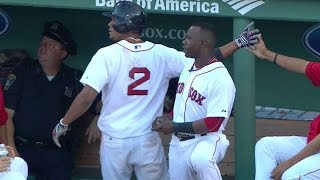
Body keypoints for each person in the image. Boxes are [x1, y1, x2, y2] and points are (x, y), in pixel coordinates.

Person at [52, 1, 259, 180]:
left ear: (125, 23)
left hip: (115, 142)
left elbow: (86, 98)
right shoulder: (161, 53)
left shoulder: (106, 54)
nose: (109, 23)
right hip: (146, 141)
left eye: (113, 20)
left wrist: (64, 123)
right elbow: (207, 57)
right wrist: (239, 42)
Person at [151, 22, 236, 180]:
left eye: (189, 38)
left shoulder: (220, 78)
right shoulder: (188, 66)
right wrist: (168, 118)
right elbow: (182, 105)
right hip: (178, 144)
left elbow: (214, 123)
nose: (184, 41)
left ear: (203, 43)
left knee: (201, 159)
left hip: (206, 140)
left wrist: (174, 126)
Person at [4, 20, 83, 180]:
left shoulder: (73, 78)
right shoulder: (22, 72)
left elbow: (96, 99)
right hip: (21, 147)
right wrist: (12, 150)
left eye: (51, 44)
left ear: (63, 53)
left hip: (56, 152)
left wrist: (96, 116)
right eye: (43, 42)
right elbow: (6, 115)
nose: (43, 47)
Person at [249, 35, 320, 180]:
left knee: (292, 175)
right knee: (266, 146)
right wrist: (267, 54)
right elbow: (302, 66)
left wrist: (290, 163)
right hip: (314, 146)